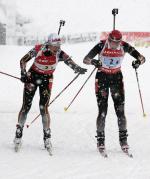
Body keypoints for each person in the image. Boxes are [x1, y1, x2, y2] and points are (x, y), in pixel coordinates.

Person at [14, 33, 87, 152]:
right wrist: (23, 73)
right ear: (48, 44)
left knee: (44, 108)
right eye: (55, 46)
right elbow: (23, 60)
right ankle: (18, 133)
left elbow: (69, 61)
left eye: (59, 45)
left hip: (46, 80)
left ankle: (47, 137)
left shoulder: (59, 53)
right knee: (26, 106)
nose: (57, 48)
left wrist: (77, 68)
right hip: (32, 77)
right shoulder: (38, 49)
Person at [83, 30, 145, 152]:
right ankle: (100, 140)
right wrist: (93, 61)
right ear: (109, 40)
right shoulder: (101, 45)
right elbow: (85, 59)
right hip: (102, 78)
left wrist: (138, 62)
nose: (115, 45)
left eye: (117, 42)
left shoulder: (124, 45)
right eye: (113, 42)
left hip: (116, 78)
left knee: (120, 111)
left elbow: (142, 58)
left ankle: (123, 140)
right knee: (102, 111)